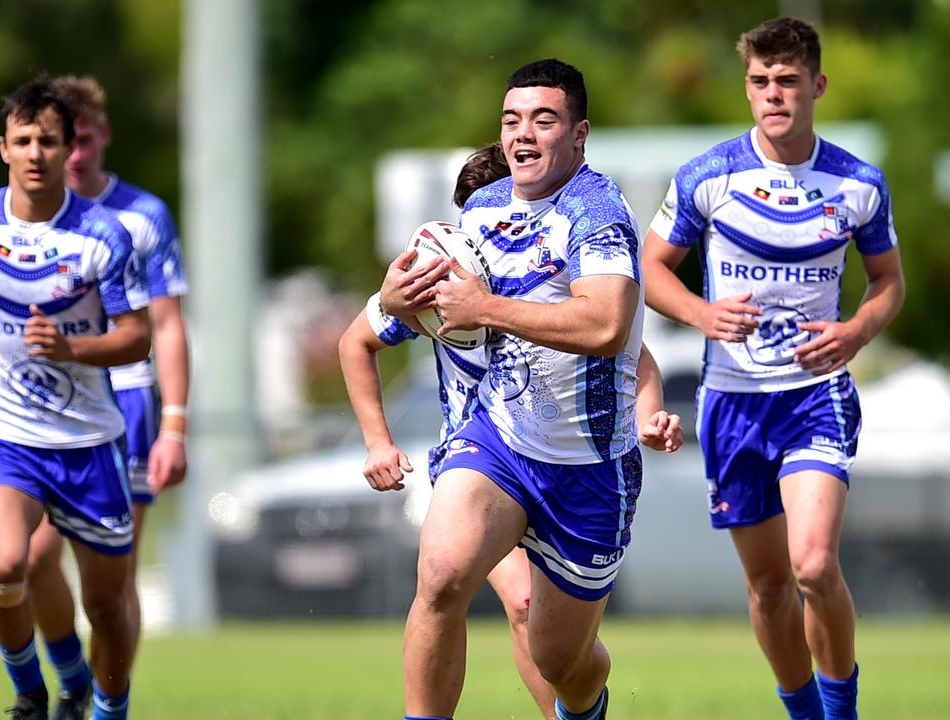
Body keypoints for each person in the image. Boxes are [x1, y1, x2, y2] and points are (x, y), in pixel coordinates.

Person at [339, 142, 682, 720]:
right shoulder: (444, 277)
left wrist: (648, 414)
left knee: (550, 639)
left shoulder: (550, 285)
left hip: (572, 465)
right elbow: (356, 341)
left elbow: (634, 354)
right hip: (482, 460)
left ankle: (575, 707)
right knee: (460, 583)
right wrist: (377, 440)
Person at [640, 17, 906, 720]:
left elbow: (889, 284)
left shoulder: (858, 183)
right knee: (767, 587)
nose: (773, 94)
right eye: (760, 81)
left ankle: (841, 712)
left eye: (787, 81)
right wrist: (702, 313)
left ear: (816, 85)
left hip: (815, 396)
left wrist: (854, 331)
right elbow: (651, 268)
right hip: (733, 401)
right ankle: (805, 714)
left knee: (813, 564)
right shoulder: (708, 176)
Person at [378, 59, 644, 720]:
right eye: (512, 121)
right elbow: (430, 306)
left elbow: (608, 325)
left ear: (579, 135)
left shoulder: (598, 212)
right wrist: (393, 298)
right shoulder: (482, 207)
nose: (523, 135)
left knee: (562, 661)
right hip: (497, 443)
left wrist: (486, 310)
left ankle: (585, 709)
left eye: (544, 120)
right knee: (440, 576)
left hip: (589, 471)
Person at [0, 77, 150, 720]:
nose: (35, 152)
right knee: (4, 568)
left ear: (65, 145)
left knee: (106, 605)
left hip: (90, 443)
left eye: (48, 140)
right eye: (22, 140)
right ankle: (30, 690)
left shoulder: (104, 236)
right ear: (3, 148)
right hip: (6, 434)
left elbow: (136, 337)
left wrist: (73, 349)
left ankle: (108, 706)